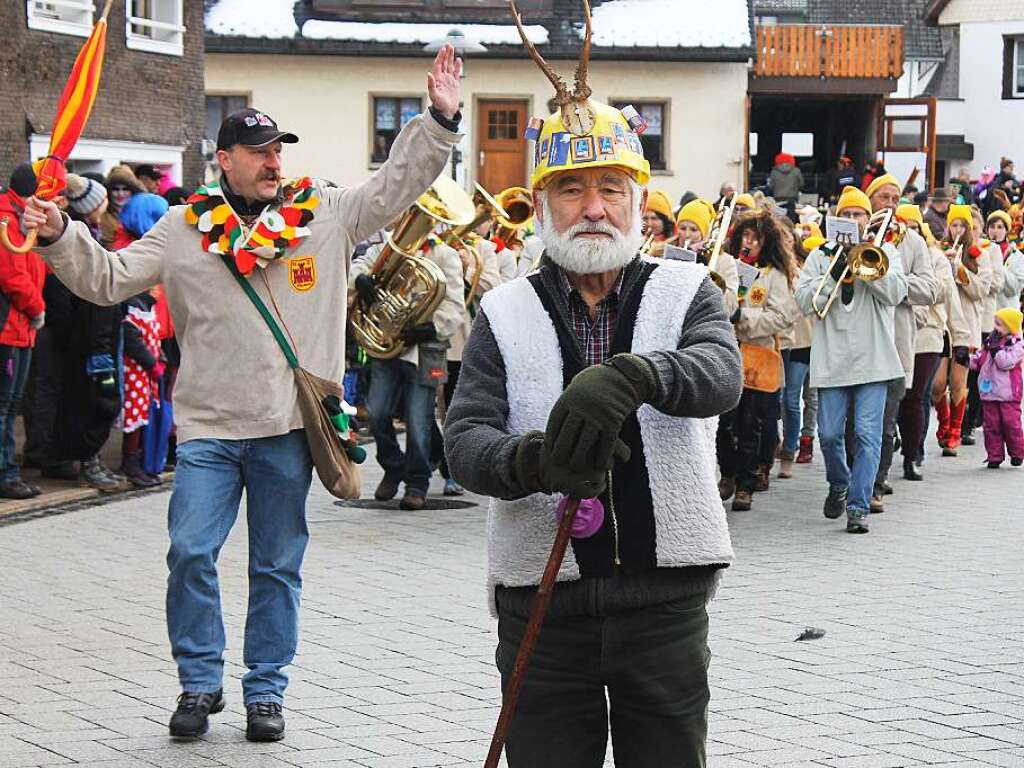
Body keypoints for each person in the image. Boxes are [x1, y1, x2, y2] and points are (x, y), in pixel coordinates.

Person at [20, 45, 464, 742]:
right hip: (208, 431)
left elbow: (396, 186)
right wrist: (58, 235)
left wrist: (437, 118)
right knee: (190, 553)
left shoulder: (326, 214)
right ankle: (199, 682)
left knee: (276, 566)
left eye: (278, 150)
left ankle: (265, 691)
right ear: (223, 160)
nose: (273, 162)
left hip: (290, 428)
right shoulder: (182, 228)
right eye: (258, 151)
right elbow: (106, 278)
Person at [444, 30, 742, 760]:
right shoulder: (503, 310)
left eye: (612, 187)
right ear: (543, 203)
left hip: (663, 602)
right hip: (542, 609)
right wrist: (536, 461)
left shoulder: (686, 289)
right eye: (571, 188)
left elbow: (720, 375)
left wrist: (641, 375)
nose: (594, 206)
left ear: (638, 200)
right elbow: (464, 442)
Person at [795, 186, 908, 533]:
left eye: (859, 214)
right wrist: (835, 270)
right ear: (836, 220)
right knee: (829, 436)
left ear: (867, 219)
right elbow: (805, 302)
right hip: (832, 360)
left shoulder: (883, 250)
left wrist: (865, 265)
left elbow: (896, 293)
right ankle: (839, 482)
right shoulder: (820, 255)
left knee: (868, 435)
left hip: (874, 360)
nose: (853, 219)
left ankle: (858, 507)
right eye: (846, 214)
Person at [352, 220, 465, 510]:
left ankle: (417, 482)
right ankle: (393, 466)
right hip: (387, 347)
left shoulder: (444, 255)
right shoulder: (385, 248)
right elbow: (355, 269)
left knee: (418, 420)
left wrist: (431, 328)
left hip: (423, 349)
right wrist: (360, 280)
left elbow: (454, 307)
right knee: (376, 413)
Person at [24, 174, 122, 491]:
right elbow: (73, 296)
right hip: (86, 341)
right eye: (102, 200)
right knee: (94, 402)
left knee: (89, 400)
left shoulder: (95, 240)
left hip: (92, 339)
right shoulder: (72, 248)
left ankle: (74, 458)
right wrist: (89, 342)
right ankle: (82, 460)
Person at [863, 174, 940, 511]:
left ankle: (875, 485)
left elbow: (931, 289)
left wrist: (888, 279)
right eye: (884, 197)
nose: (891, 204)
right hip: (857, 345)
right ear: (870, 201)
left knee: (884, 420)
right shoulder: (854, 234)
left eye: (896, 198)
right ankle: (856, 479)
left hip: (895, 344)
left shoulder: (913, 243)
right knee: (854, 425)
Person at [716, 210, 800, 510]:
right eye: (745, 236)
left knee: (750, 424)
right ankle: (727, 471)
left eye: (756, 238)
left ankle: (745, 484)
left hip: (756, 353)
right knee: (722, 423)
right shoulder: (727, 266)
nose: (749, 242)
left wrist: (744, 317)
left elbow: (782, 315)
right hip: (725, 352)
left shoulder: (774, 275)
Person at [896, 205, 968, 479]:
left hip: (927, 335)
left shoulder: (935, 256)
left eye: (915, 227)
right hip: (897, 332)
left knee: (917, 396)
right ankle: (894, 442)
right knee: (895, 396)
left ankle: (912, 455)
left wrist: (961, 339)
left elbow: (943, 293)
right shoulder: (890, 252)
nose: (910, 232)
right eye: (906, 227)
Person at [112, 193, 171, 488]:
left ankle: (147, 461)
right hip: (138, 363)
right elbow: (130, 332)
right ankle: (132, 462)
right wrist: (152, 360)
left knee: (149, 411)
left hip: (155, 344)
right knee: (136, 413)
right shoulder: (133, 253)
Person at [0, 163, 47, 499]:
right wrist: (37, 307)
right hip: (10, 326)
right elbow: (12, 274)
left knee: (11, 403)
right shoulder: (8, 218)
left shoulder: (20, 215)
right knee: (4, 405)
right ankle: (5, 473)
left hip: (20, 326)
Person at [932, 204, 991, 456]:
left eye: (962, 226)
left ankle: (955, 429)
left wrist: (960, 269)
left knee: (958, 383)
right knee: (936, 385)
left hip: (965, 328)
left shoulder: (980, 255)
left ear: (968, 229)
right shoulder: (937, 251)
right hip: (942, 327)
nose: (957, 230)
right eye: (953, 225)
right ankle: (944, 421)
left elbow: (981, 291)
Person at [780, 232, 820, 475]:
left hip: (806, 339)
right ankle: (790, 442)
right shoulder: (772, 268)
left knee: (804, 396)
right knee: (789, 398)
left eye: (787, 239)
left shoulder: (805, 268)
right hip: (786, 340)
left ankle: (802, 441)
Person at [970, 308, 1024, 468]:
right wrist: (967, 359)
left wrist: (996, 350)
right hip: (990, 391)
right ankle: (994, 456)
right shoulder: (991, 341)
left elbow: (1005, 363)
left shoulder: (1017, 344)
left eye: (1000, 325)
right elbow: (980, 359)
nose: (996, 328)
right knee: (991, 425)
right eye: (996, 324)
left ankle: (1017, 452)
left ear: (1010, 327)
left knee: (1011, 424)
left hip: (1008, 393)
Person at [988, 210, 1024, 311]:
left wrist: (998, 264)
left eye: (1000, 227)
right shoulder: (982, 252)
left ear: (1006, 230)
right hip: (987, 313)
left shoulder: (1017, 256)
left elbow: (1014, 289)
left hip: (1008, 312)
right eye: (992, 227)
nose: (995, 231)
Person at [768, 152, 802, 220]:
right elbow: (801, 184)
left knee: (778, 220)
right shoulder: (796, 171)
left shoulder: (774, 172)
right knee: (791, 220)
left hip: (777, 200)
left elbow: (771, 186)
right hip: (791, 200)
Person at [641, 189, 675, 257]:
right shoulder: (635, 243)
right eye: (645, 218)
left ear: (665, 220)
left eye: (654, 218)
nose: (649, 223)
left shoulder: (676, 243)